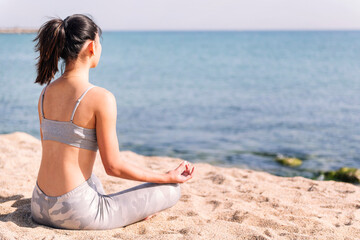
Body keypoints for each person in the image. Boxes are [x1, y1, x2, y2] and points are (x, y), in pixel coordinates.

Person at [30, 14, 195, 230]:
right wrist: (166, 176)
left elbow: (53, 153)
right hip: (75, 212)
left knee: (93, 179)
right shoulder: (101, 98)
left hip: (39, 206)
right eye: (100, 42)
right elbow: (114, 167)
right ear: (91, 46)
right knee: (172, 190)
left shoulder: (45, 94)